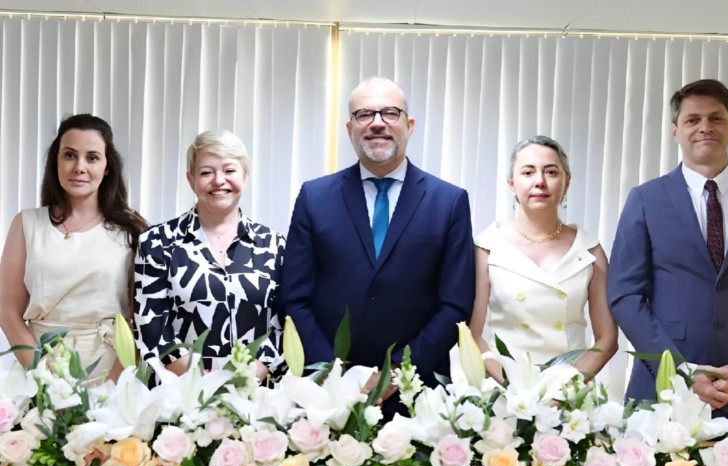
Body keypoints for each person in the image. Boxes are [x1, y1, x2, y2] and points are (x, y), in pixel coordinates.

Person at [281, 77, 475, 412]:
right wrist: (333, 373)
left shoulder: (449, 201)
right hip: (328, 393)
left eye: (389, 113)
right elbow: (294, 296)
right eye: (364, 115)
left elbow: (456, 304)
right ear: (349, 128)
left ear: (409, 125)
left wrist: (398, 373)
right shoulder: (315, 197)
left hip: (418, 394)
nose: (377, 124)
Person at [608, 79, 728, 415]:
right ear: (675, 130)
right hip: (662, 389)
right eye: (692, 120)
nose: (705, 128)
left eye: (716, 118)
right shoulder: (645, 199)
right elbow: (625, 295)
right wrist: (681, 371)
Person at [0, 114, 148, 381]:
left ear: (107, 167)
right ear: (55, 162)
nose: (79, 166)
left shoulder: (133, 229)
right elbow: (7, 312)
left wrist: (117, 380)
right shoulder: (26, 224)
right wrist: (45, 376)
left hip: (114, 369)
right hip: (40, 368)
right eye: (69, 155)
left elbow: (142, 316)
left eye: (92, 157)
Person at [134, 130, 285, 380]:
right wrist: (204, 385)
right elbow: (152, 327)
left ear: (245, 176)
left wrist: (246, 380)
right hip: (181, 397)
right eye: (206, 172)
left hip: (258, 398)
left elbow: (284, 324)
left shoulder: (274, 245)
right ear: (190, 179)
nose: (218, 180)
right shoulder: (156, 243)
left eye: (229, 170)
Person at [470, 137, 618, 382]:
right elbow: (472, 335)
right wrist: (513, 384)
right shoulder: (487, 246)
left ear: (566, 183)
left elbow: (607, 340)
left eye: (551, 172)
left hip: (570, 391)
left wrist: (563, 389)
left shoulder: (589, 250)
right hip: (503, 386)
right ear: (511, 183)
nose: (540, 181)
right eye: (528, 172)